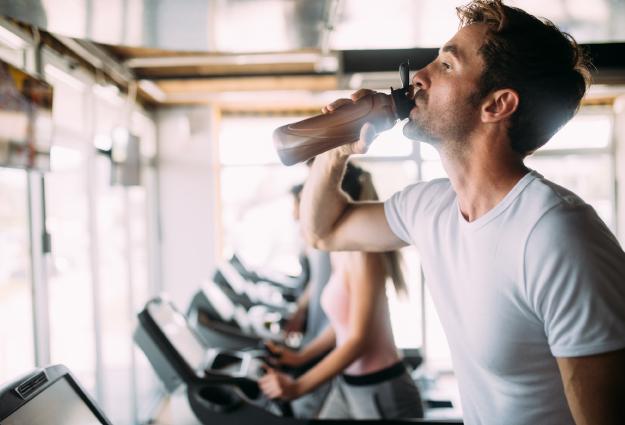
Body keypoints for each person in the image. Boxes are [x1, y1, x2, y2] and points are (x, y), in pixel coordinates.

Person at [297, 1, 625, 425]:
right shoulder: (430, 207)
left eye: (447, 66)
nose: (419, 76)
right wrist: (338, 149)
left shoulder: (558, 235)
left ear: (497, 104)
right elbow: (324, 232)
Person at [259, 163, 424, 420]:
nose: (305, 214)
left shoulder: (363, 254)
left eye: (308, 203)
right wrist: (299, 357)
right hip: (348, 384)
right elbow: (342, 324)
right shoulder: (339, 252)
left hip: (380, 390)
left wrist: (297, 387)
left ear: (334, 201)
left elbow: (358, 340)